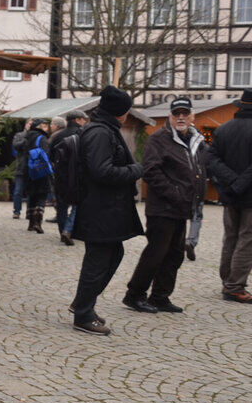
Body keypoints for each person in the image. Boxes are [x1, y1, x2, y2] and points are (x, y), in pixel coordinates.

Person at [70, 86, 144, 335]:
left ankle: (83, 305)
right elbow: (101, 171)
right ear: (120, 112)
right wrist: (135, 171)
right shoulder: (100, 133)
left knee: (113, 254)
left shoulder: (103, 129)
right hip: (99, 208)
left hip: (107, 208)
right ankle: (82, 313)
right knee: (98, 260)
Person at [122, 98, 206, 313]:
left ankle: (160, 296)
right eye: (176, 113)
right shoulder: (159, 139)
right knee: (156, 253)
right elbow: (150, 171)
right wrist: (175, 193)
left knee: (175, 254)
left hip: (182, 208)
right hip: (163, 208)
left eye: (184, 113)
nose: (180, 117)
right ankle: (134, 295)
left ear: (192, 116)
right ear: (170, 116)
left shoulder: (195, 139)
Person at [205, 88, 252, 303]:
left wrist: (231, 182)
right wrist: (239, 182)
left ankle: (227, 280)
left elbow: (211, 158)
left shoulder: (224, 130)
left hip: (229, 194)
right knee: (246, 240)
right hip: (248, 194)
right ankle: (235, 286)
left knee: (230, 238)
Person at [50, 110, 88, 245]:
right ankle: (68, 230)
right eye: (83, 119)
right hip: (77, 176)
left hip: (61, 176)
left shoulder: (58, 136)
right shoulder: (83, 135)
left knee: (61, 206)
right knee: (77, 205)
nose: (85, 122)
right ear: (77, 120)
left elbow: (50, 156)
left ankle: (63, 231)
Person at [13, 118, 51, 233]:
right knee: (42, 194)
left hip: (27, 169)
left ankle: (30, 222)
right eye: (44, 126)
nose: (47, 128)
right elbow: (46, 153)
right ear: (39, 127)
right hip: (40, 170)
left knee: (32, 195)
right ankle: (38, 222)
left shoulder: (27, 137)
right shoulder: (42, 138)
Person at [11, 119, 31, 219]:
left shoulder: (37, 135)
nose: (30, 126)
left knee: (31, 191)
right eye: (29, 124)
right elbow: (16, 145)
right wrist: (26, 139)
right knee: (18, 190)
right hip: (21, 167)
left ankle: (29, 212)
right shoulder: (19, 135)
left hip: (32, 167)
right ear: (26, 124)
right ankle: (16, 211)